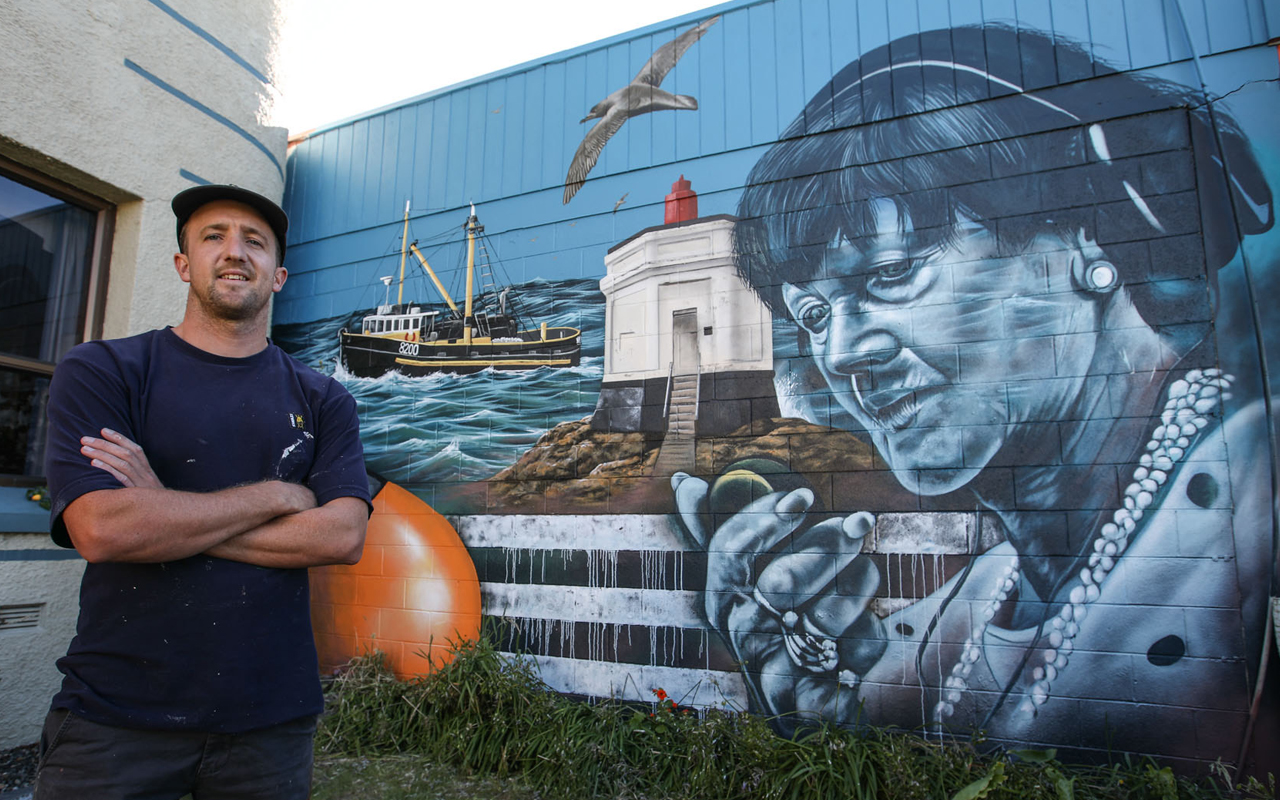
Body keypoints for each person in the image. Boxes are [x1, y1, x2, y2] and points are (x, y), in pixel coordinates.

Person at [674, 25, 1275, 759]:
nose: (842, 353)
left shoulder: (1258, 498)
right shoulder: (963, 618)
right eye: (815, 317)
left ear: (1085, 239)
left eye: (891, 273)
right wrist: (812, 713)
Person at [34, 184, 371, 799]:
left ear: (279, 276)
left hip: (271, 722)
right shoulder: (106, 370)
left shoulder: (324, 399)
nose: (234, 251)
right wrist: (276, 496)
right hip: (115, 718)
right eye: (213, 236)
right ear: (183, 264)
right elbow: (103, 529)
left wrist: (160, 506)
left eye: (255, 242)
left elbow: (342, 537)